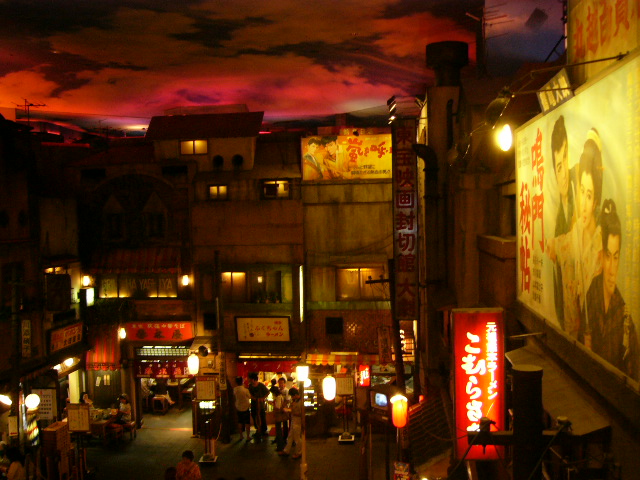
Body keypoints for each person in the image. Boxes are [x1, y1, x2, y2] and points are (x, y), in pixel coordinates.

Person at [548, 129, 603, 340]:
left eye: (589, 195)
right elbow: (557, 245)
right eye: (581, 191)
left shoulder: (600, 247)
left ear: (595, 201)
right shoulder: (575, 229)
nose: (584, 204)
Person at [582, 199, 639, 380]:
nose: (612, 269)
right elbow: (580, 332)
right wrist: (584, 344)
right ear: (601, 256)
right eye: (608, 256)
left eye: (616, 257)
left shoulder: (624, 315)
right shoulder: (593, 291)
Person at [550, 115, 576, 331]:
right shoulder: (558, 225)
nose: (564, 172)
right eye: (559, 167)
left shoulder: (584, 188)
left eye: (566, 157)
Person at [279, 387, 302, 459]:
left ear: (295, 395)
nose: (292, 397)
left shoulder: (300, 402)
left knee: (297, 438)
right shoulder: (296, 401)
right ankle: (286, 450)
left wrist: (291, 411)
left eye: (292, 396)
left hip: (298, 421)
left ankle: (299, 452)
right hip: (294, 420)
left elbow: (300, 413)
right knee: (290, 436)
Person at [247, 372, 269, 440]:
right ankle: (258, 429)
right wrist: (252, 397)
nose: (249, 380)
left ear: (253, 379)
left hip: (260, 404)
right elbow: (249, 393)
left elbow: (268, 392)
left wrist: (262, 398)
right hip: (254, 403)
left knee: (262, 415)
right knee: (254, 415)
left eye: (250, 379)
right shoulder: (250, 386)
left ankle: (263, 430)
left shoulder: (261, 385)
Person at [233, 376, 251, 441]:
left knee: (240, 422)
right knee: (247, 422)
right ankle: (248, 436)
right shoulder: (245, 390)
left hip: (238, 407)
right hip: (246, 407)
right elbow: (249, 397)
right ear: (242, 381)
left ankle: (241, 436)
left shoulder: (234, 390)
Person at [271, 385, 286, 452]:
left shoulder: (278, 398)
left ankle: (280, 446)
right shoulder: (280, 396)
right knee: (279, 430)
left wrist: (272, 404)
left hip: (278, 415)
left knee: (278, 430)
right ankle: (280, 445)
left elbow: (278, 407)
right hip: (280, 415)